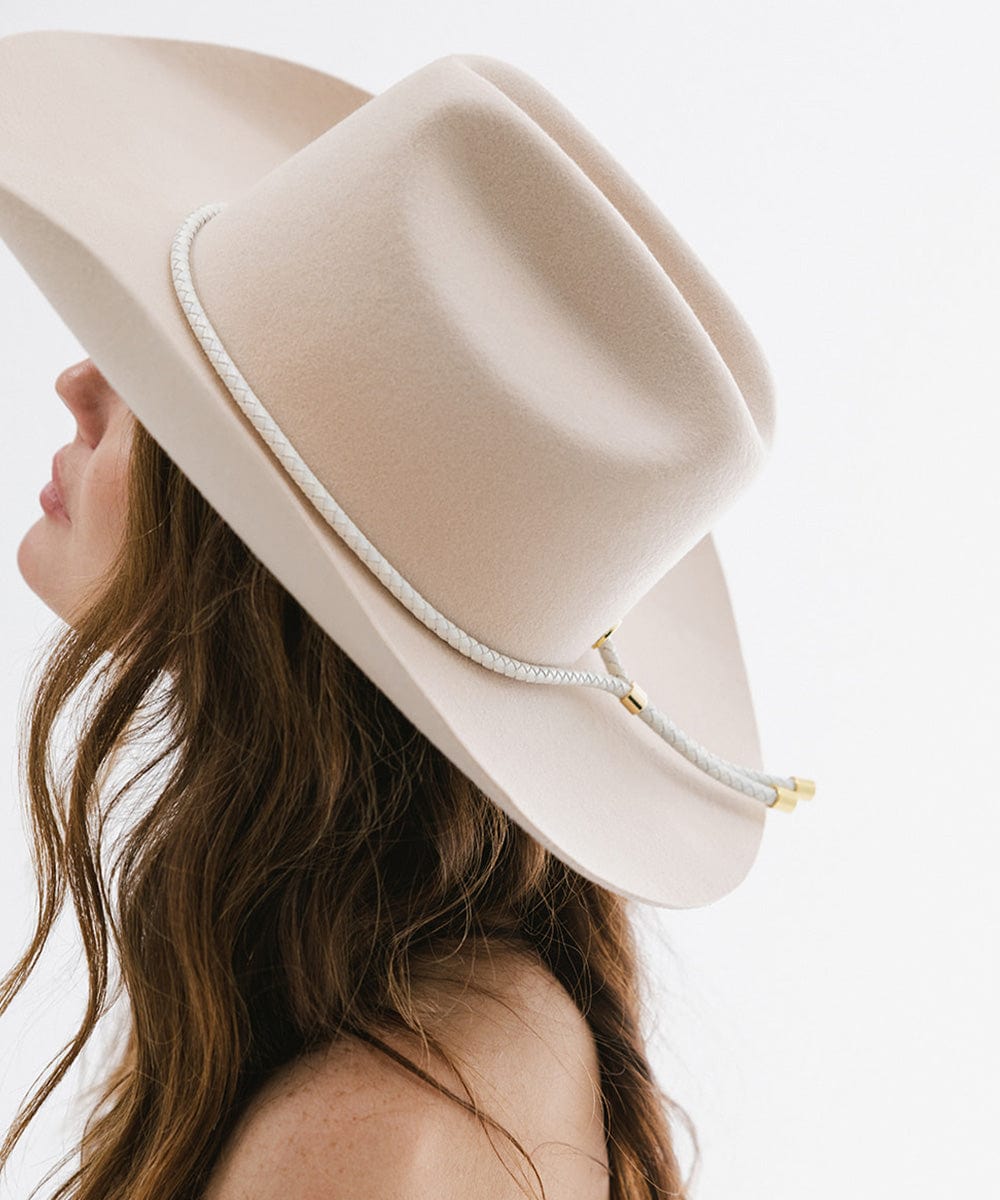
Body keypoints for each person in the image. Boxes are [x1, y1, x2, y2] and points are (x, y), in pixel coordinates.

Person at [0, 30, 814, 1200]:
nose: (80, 385)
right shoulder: (482, 1019)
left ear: (246, 552)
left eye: (157, 377)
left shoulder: (371, 1141)